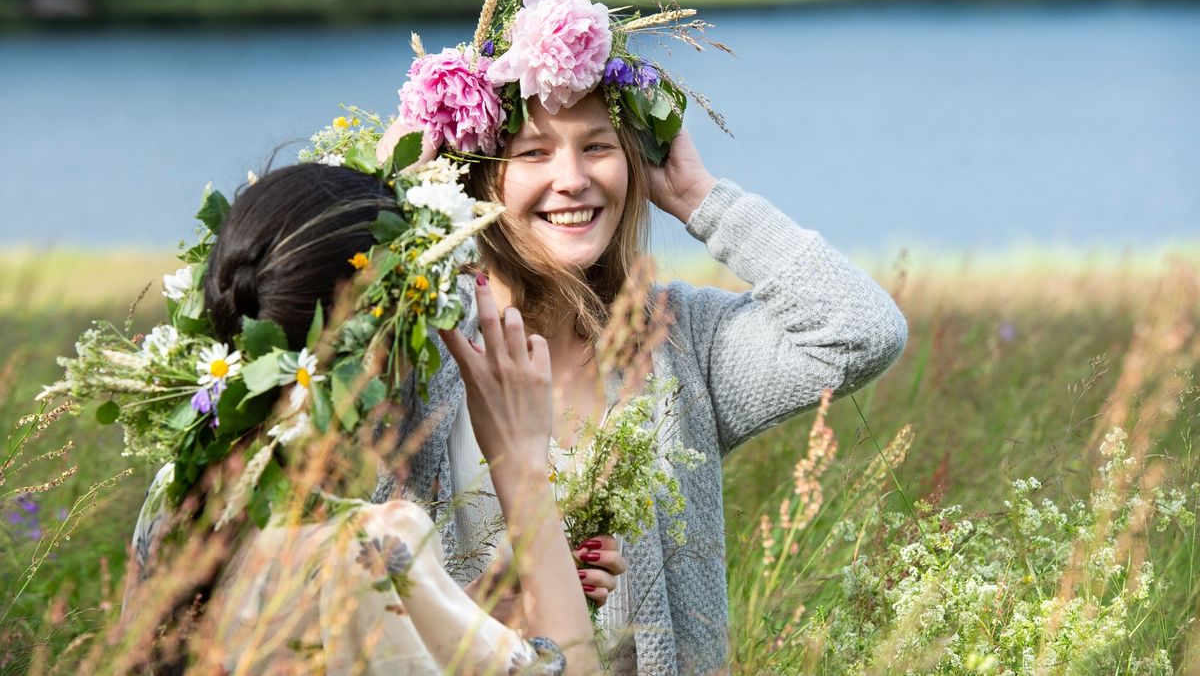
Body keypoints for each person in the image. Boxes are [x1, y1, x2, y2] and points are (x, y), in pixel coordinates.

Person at [374, 91, 909, 673]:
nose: (572, 179)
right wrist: (390, 201)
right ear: (478, 178)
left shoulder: (682, 343)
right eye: (533, 153)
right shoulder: (418, 339)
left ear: (634, 164)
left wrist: (696, 197)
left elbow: (862, 331)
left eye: (597, 147)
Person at [123, 164, 600, 674]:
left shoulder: (176, 496)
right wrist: (523, 468)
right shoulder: (372, 545)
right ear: (380, 347)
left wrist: (464, 611)